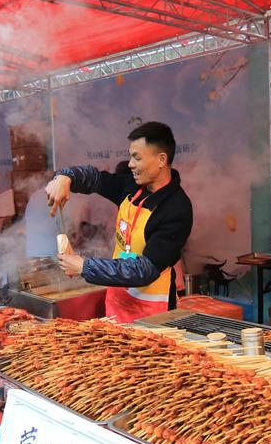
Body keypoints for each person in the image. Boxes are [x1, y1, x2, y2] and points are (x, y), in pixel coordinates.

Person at [44, 121, 194, 322]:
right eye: (130, 157)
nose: (130, 164)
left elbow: (144, 270)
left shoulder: (176, 208)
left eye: (137, 158)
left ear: (161, 159)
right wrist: (65, 177)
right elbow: (94, 179)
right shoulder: (130, 186)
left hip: (152, 313)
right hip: (117, 303)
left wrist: (84, 266)